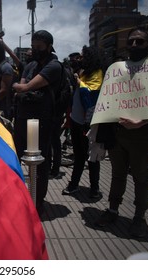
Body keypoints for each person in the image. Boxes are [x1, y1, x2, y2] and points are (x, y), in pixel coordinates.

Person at [94, 26, 148, 238]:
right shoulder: (116, 68)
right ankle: (112, 209)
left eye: (140, 41)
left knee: (141, 176)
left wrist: (141, 121)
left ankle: (139, 217)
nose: (135, 45)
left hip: (142, 133)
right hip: (118, 131)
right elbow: (109, 98)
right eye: (131, 42)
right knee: (117, 174)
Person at [12, 30, 62, 213]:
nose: (34, 50)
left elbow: (23, 86)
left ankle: (37, 201)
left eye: (39, 47)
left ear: (49, 47)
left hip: (42, 120)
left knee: (40, 162)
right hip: (22, 118)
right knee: (16, 156)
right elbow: (21, 87)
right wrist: (23, 89)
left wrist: (24, 89)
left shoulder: (54, 66)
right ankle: (17, 195)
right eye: (33, 46)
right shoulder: (31, 65)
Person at [62, 45, 103, 198]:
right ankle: (74, 185)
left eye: (83, 57)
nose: (80, 59)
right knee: (79, 155)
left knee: (92, 157)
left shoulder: (98, 74)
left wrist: (79, 82)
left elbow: (91, 95)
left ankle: (95, 188)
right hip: (76, 120)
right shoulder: (83, 73)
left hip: (89, 123)